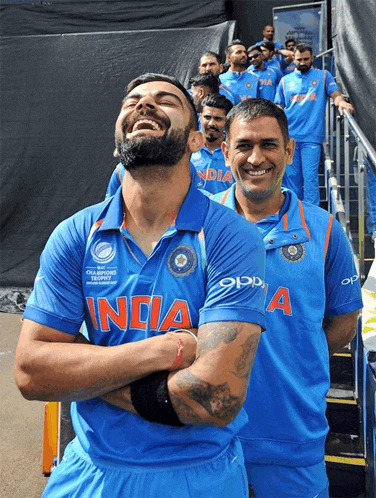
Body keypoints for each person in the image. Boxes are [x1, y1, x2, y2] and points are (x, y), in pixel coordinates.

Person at [14, 73, 267, 498]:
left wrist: (79, 373)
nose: (144, 105)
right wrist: (163, 350)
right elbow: (30, 372)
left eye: (166, 100)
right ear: (117, 143)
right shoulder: (75, 233)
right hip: (89, 472)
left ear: (195, 140)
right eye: (132, 101)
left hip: (195, 477)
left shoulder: (231, 238)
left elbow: (214, 397)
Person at [211, 98, 363, 498]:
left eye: (269, 144)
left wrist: (297, 351)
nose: (255, 157)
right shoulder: (199, 228)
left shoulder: (325, 231)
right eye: (243, 145)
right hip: (208, 442)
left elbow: (343, 325)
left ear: (290, 150)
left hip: (295, 444)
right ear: (225, 151)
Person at [275, 43, 355, 205]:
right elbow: (278, 107)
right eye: (299, 59)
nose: (302, 62)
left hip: (311, 137)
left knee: (310, 178)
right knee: (291, 179)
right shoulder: (285, 81)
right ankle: (293, 215)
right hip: (289, 138)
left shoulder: (323, 76)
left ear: (312, 58)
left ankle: (312, 217)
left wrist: (341, 103)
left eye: (306, 59)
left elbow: (335, 94)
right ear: (293, 59)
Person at [190, 93, 234, 194]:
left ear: (228, 121)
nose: (211, 124)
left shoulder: (234, 152)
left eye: (218, 119)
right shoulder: (187, 150)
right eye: (207, 117)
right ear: (200, 117)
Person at [219, 40, 260, 104]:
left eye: (244, 52)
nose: (243, 55)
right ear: (229, 57)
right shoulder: (220, 79)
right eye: (238, 52)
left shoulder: (256, 78)